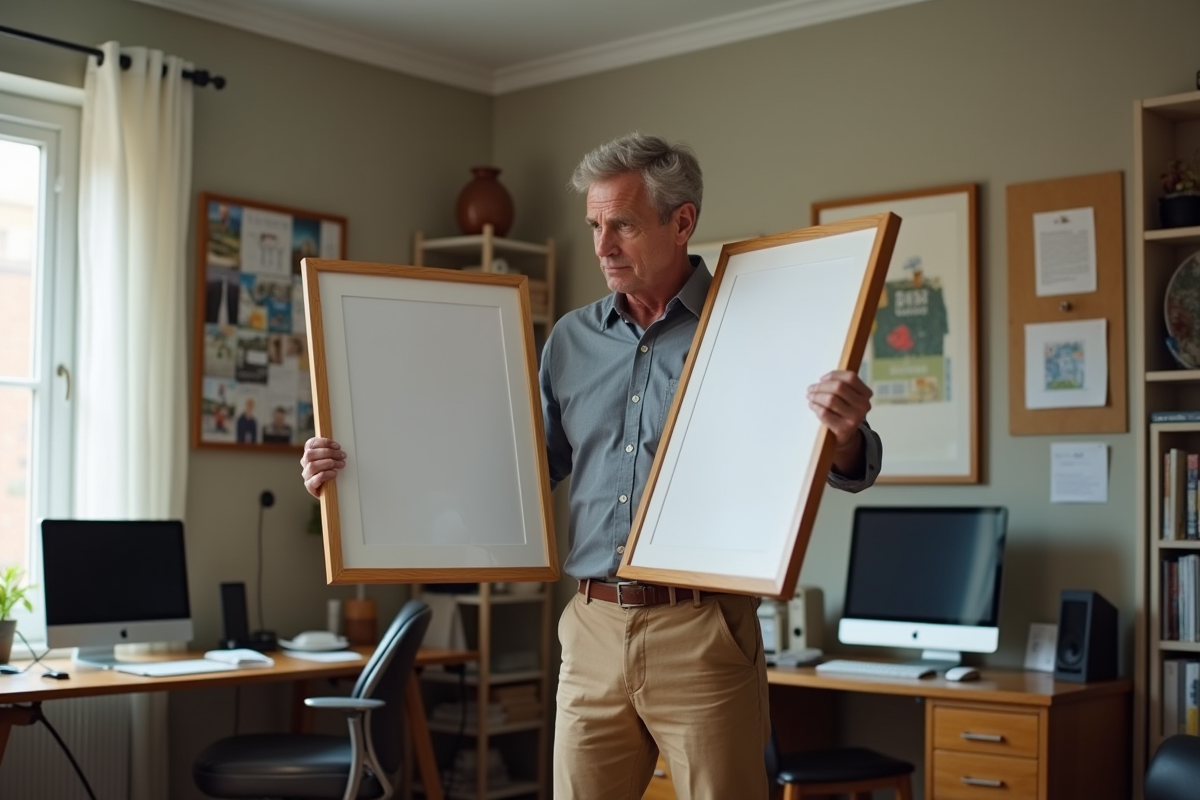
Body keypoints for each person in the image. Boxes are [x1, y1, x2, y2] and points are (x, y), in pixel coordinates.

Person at [300, 133, 881, 800]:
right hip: (591, 627)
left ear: (682, 221)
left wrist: (844, 433)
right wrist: (356, 476)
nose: (602, 246)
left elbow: (849, 466)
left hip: (702, 629)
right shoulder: (571, 340)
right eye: (596, 226)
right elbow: (518, 475)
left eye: (623, 226)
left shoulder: (754, 323)